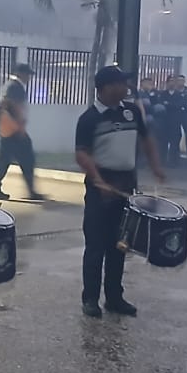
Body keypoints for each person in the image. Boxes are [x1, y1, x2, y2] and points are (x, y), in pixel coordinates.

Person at [75, 66, 165, 317]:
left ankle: (114, 297)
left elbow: (146, 139)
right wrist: (97, 179)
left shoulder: (131, 111)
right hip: (100, 189)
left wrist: (156, 166)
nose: (126, 87)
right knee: (96, 246)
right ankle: (90, 299)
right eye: (121, 83)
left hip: (127, 186)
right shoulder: (89, 118)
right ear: (106, 88)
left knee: (120, 244)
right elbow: (82, 154)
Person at [0, 63, 44, 200]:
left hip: (9, 129)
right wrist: (19, 124)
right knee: (26, 159)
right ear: (21, 74)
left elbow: (2, 106)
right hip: (14, 130)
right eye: (28, 74)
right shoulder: (15, 86)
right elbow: (11, 105)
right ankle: (30, 190)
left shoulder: (9, 85)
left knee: (5, 159)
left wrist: (0, 125)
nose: (29, 77)